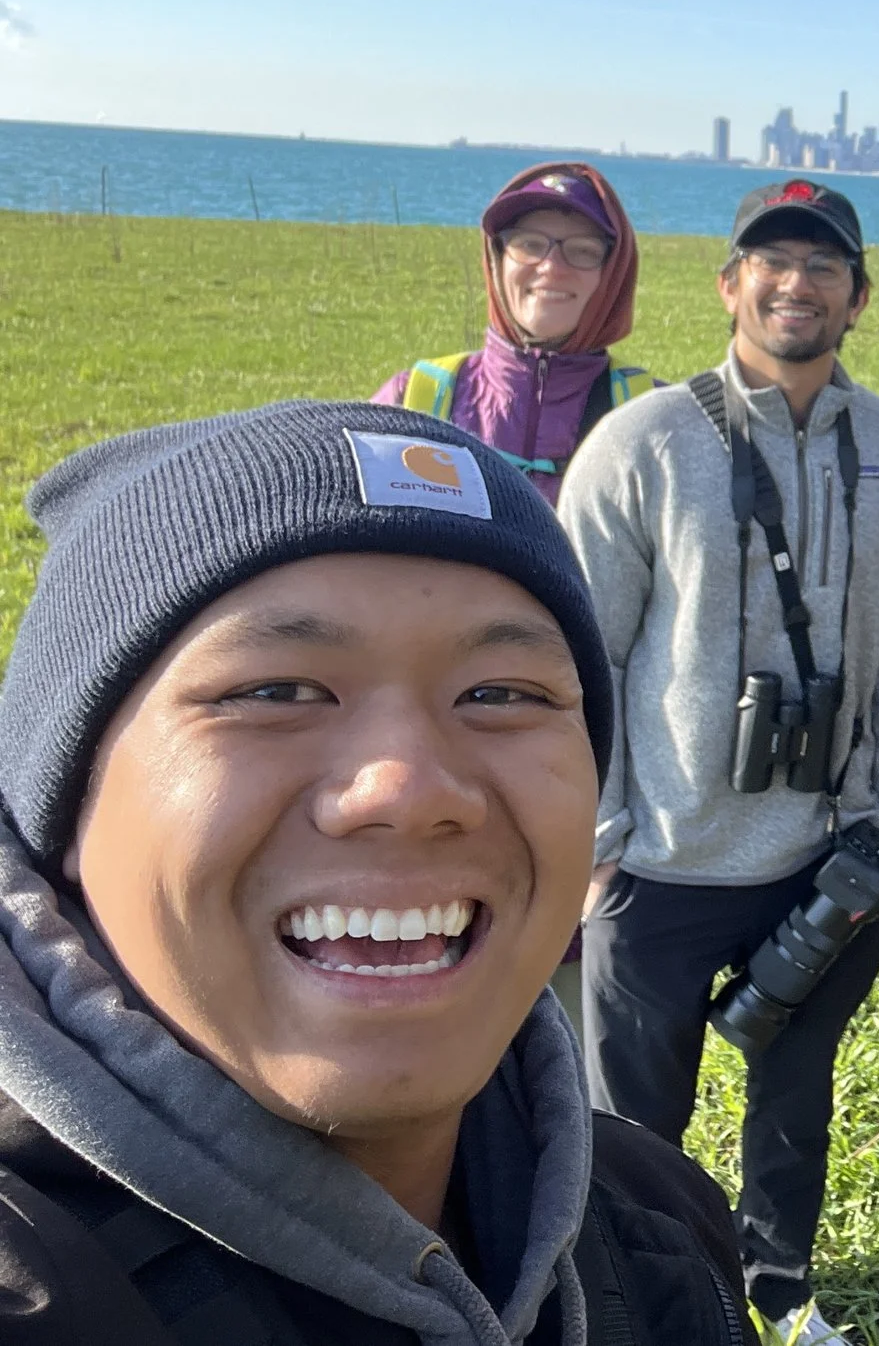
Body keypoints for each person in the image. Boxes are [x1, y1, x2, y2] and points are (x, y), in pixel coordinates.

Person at [0, 400, 756, 1343]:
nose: (406, 787)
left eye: (501, 694)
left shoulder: (663, 1227)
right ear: (65, 805)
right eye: (275, 691)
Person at [559, 178, 879, 1346]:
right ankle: (634, 1305)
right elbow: (580, 655)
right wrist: (599, 847)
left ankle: (782, 1291)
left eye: (824, 266)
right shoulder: (643, 445)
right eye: (771, 262)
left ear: (858, 296)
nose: (797, 284)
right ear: (729, 284)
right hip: (661, 863)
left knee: (796, 1102)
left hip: (828, 857)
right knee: (631, 1128)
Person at [377, 161, 658, 507]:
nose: (551, 267)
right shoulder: (409, 398)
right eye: (529, 244)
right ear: (496, 260)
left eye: (583, 250)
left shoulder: (657, 417)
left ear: (613, 276)